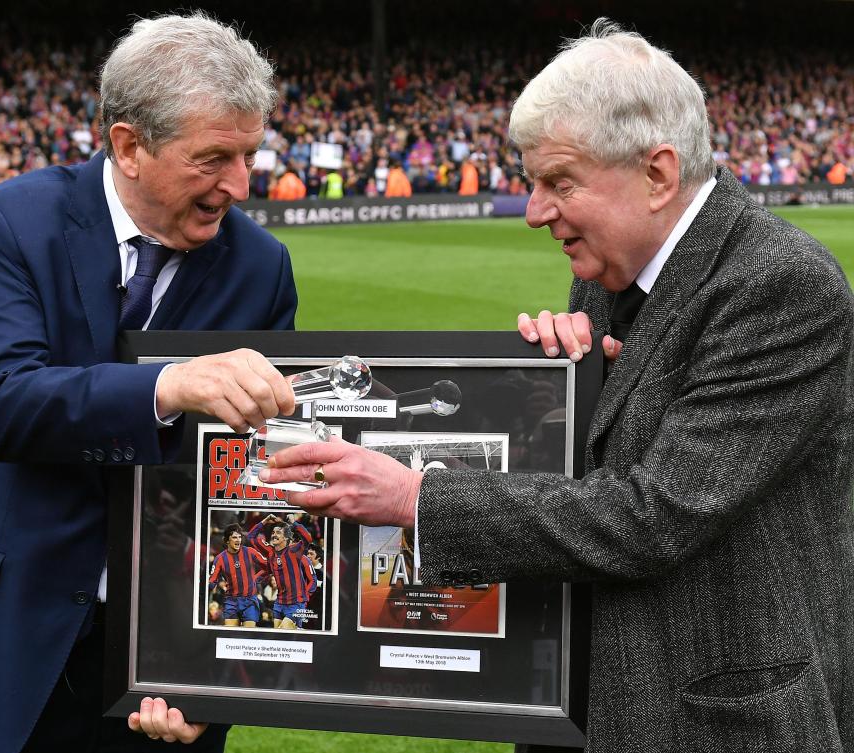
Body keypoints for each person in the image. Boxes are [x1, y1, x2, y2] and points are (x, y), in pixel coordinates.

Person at [259, 19, 854, 752]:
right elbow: (584, 472)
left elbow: (654, 515)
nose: (536, 211)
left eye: (559, 182)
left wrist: (415, 497)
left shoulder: (779, 284)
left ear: (658, 173)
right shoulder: (604, 280)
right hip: (578, 703)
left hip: (713, 715)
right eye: (532, 182)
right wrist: (547, 397)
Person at [0, 12, 298, 753]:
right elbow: (1, 403)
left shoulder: (261, 266)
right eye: (214, 158)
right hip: (11, 642)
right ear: (129, 146)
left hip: (167, 667)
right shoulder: (12, 221)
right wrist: (165, 387)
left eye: (249, 155)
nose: (239, 186)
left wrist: (223, 665)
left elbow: (253, 484)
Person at [248, 515, 316, 629]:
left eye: (278, 533)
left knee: (283, 631)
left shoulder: (294, 551)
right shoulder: (270, 552)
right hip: (279, 603)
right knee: (280, 637)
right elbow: (251, 537)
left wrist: (294, 523)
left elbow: (308, 539)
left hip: (296, 603)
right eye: (273, 532)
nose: (274, 535)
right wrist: (264, 521)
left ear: (285, 537)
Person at [208, 524, 268, 628]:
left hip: (249, 600)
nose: (238, 540)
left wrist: (257, 578)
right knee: (230, 634)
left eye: (240, 537)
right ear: (227, 540)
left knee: (248, 634)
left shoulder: (250, 551)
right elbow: (212, 580)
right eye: (235, 537)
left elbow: (268, 566)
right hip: (231, 601)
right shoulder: (220, 558)